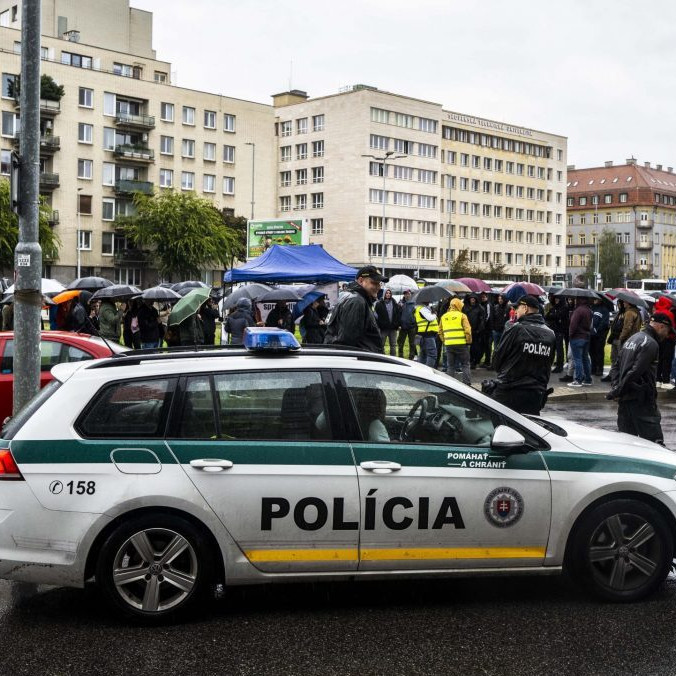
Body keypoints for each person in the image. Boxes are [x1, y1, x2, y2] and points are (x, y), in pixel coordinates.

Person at [607, 313, 674, 445]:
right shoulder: (650, 343)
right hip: (642, 401)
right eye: (667, 331)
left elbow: (616, 366)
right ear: (661, 326)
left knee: (627, 444)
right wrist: (617, 391)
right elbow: (635, 372)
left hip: (625, 401)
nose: (667, 335)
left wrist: (616, 388)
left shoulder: (633, 338)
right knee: (655, 445)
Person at [491, 295, 556, 415]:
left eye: (517, 308)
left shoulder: (516, 329)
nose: (515, 311)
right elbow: (548, 365)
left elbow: (496, 362)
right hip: (535, 395)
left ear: (525, 308)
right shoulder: (550, 334)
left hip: (509, 392)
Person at [324, 265, 385, 353]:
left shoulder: (348, 296)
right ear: (361, 281)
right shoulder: (357, 301)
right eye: (374, 283)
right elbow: (347, 343)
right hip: (360, 362)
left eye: (379, 283)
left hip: (358, 360)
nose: (379, 287)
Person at [607, 299, 643, 386]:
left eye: (624, 301)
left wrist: (621, 338)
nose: (623, 303)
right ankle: (616, 377)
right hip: (631, 338)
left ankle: (619, 379)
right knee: (620, 359)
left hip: (626, 339)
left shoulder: (629, 312)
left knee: (621, 359)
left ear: (629, 302)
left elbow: (627, 328)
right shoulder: (635, 312)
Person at [438, 297, 472, 385]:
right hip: (462, 344)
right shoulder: (462, 316)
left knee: (450, 366)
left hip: (449, 345)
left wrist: (445, 341)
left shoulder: (444, 316)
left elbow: (440, 331)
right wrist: (468, 341)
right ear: (459, 305)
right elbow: (467, 330)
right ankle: (467, 384)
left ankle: (451, 385)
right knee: (465, 364)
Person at [567, 298, 593, 387]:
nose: (574, 301)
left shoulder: (578, 311)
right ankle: (588, 379)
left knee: (577, 359)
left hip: (577, 337)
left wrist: (570, 335)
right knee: (585, 359)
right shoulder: (589, 310)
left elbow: (573, 325)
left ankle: (578, 380)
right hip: (586, 337)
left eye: (575, 299)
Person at [653, 296, 675, 389]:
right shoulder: (669, 313)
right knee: (667, 360)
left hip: (657, 339)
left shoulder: (656, 312)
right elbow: (672, 327)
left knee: (659, 359)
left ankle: (657, 380)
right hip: (668, 339)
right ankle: (665, 381)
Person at [545, 294, 568, 373]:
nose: (556, 300)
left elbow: (558, 315)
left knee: (559, 349)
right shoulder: (554, 307)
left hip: (559, 330)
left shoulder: (564, 307)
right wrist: (553, 315)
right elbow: (547, 316)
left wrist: (553, 315)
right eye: (555, 299)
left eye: (558, 299)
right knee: (552, 348)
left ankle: (559, 366)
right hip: (554, 329)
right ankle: (550, 364)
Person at [374, 288, 401, 356]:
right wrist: (380, 325)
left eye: (389, 293)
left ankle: (393, 358)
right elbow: (376, 315)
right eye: (387, 293)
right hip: (383, 328)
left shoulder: (395, 303)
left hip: (393, 328)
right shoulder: (379, 304)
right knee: (381, 344)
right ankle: (381, 357)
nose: (388, 294)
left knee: (393, 345)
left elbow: (398, 315)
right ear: (384, 294)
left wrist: (397, 324)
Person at [463, 294, 486, 369]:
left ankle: (474, 362)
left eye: (474, 298)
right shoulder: (465, 307)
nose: (472, 300)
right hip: (467, 330)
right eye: (471, 298)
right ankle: (466, 361)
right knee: (465, 347)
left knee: (475, 348)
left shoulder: (480, 308)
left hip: (476, 331)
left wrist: (479, 330)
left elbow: (482, 320)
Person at [589, 296, 610, 377]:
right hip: (591, 335)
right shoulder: (592, 308)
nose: (594, 300)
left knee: (599, 352)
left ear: (601, 300)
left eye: (596, 299)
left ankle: (599, 369)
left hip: (600, 335)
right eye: (594, 299)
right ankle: (593, 367)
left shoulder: (604, 309)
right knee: (591, 352)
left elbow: (604, 323)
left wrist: (596, 330)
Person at [414, 300, 439, 367]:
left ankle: (420, 371)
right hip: (428, 335)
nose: (430, 300)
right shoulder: (423, 309)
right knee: (432, 355)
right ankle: (428, 372)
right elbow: (430, 318)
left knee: (423, 354)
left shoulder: (420, 308)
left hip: (424, 335)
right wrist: (434, 314)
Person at [397, 289, 417, 360]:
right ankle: (400, 356)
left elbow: (416, 314)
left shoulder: (415, 303)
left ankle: (411, 357)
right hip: (403, 326)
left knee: (412, 343)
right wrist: (398, 325)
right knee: (400, 342)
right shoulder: (400, 303)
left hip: (412, 326)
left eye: (408, 293)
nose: (407, 295)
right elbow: (398, 315)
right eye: (405, 294)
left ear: (410, 294)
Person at [490, 294, 508, 361]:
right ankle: (494, 362)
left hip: (504, 331)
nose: (500, 300)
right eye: (499, 299)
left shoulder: (507, 308)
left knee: (503, 347)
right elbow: (492, 318)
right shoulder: (496, 307)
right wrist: (493, 328)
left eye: (501, 299)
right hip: (496, 330)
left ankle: (502, 362)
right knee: (495, 348)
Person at [478, 292, 493, 367]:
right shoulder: (481, 305)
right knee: (483, 345)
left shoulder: (488, 305)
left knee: (488, 346)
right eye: (482, 297)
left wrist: (483, 324)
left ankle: (487, 361)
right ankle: (483, 360)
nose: (483, 298)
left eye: (484, 297)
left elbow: (488, 316)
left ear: (487, 297)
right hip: (483, 329)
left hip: (488, 329)